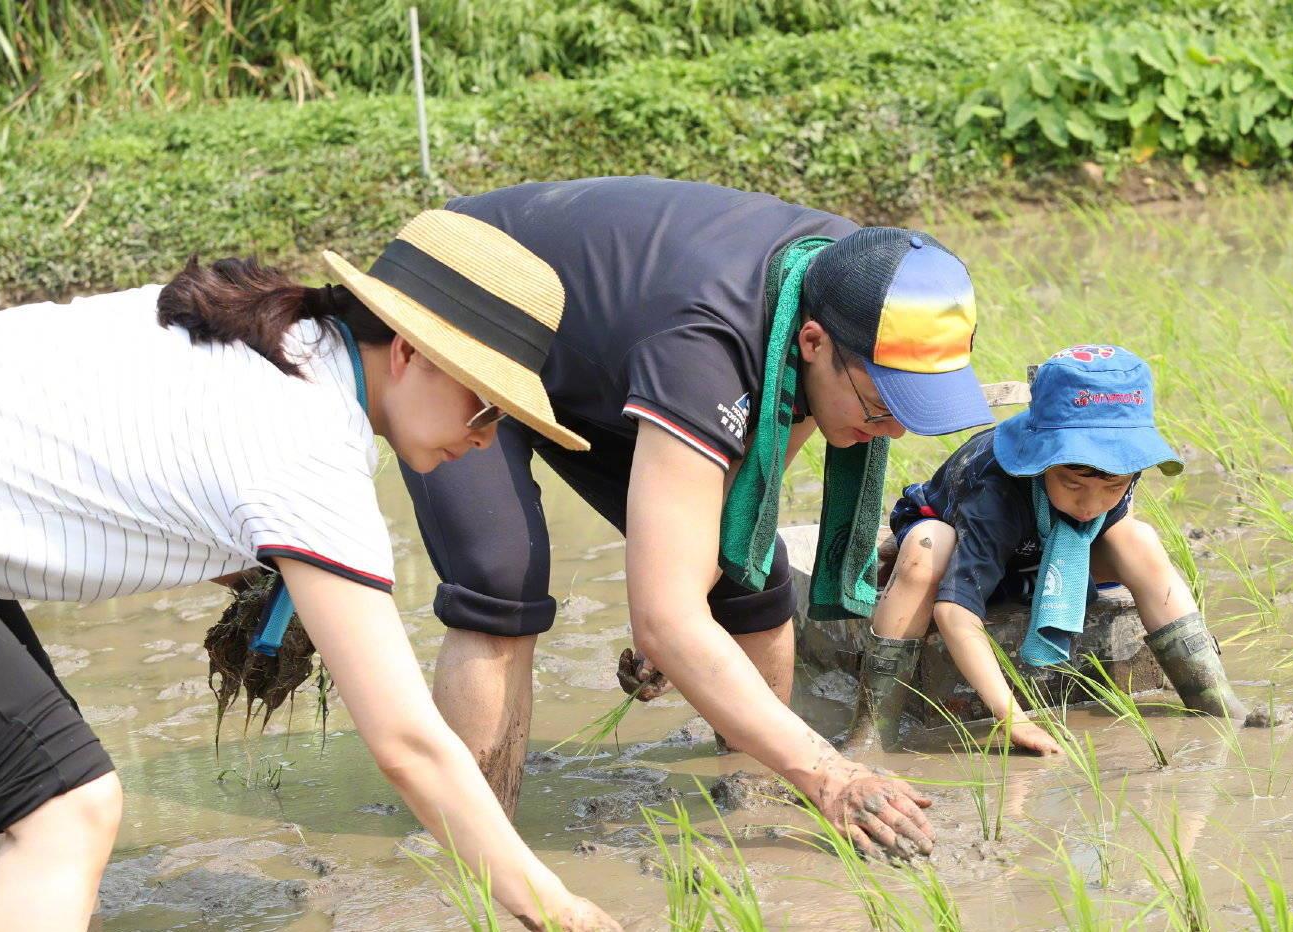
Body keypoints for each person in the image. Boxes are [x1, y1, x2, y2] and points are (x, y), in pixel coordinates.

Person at [0, 210, 616, 931]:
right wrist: (560, 910)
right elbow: (409, 745)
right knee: (66, 810)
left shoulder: (275, 340)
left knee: (43, 797)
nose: (487, 439)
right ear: (407, 352)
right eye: (486, 405)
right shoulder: (309, 445)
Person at [399, 176, 994, 858]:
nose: (888, 432)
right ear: (811, 343)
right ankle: (472, 846)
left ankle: (755, 802)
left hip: (602, 343)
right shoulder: (707, 346)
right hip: (466, 299)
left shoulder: (854, 276)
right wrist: (828, 770)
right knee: (500, 578)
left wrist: (682, 606)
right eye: (881, 406)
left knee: (748, 570)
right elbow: (666, 614)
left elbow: (745, 491)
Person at [845, 345, 1248, 755]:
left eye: (1112, 487)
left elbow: (1108, 515)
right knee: (927, 546)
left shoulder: (1119, 476)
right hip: (963, 554)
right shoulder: (994, 490)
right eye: (1073, 484)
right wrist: (1013, 719)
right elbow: (953, 612)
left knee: (1139, 538)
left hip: (1039, 557)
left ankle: (1215, 699)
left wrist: (1103, 498)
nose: (1091, 504)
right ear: (1039, 461)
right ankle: (872, 731)